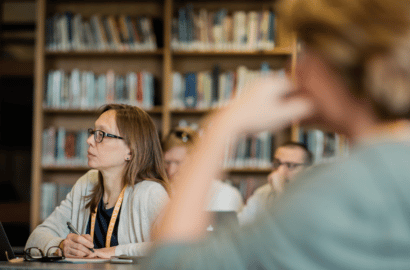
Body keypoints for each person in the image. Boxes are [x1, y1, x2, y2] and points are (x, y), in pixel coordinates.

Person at [143, 0, 410, 269]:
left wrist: (223, 126)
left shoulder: (333, 190)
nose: (295, 69)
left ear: (338, 62)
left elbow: (169, 264)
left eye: (306, 51)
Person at [26, 104, 170, 258]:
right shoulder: (87, 183)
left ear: (130, 150)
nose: (89, 140)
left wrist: (115, 252)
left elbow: (174, 248)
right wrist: (62, 246)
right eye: (93, 132)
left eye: (101, 134)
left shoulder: (152, 193)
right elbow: (35, 239)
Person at [163, 127, 243, 212]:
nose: (170, 170)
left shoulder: (224, 195)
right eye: (167, 162)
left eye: (178, 162)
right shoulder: (160, 193)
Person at [238, 142, 312, 225]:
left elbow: (296, 228)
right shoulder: (263, 192)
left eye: (290, 165)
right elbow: (240, 225)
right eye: (277, 163)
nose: (279, 171)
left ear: (307, 169)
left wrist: (279, 191)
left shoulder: (316, 196)